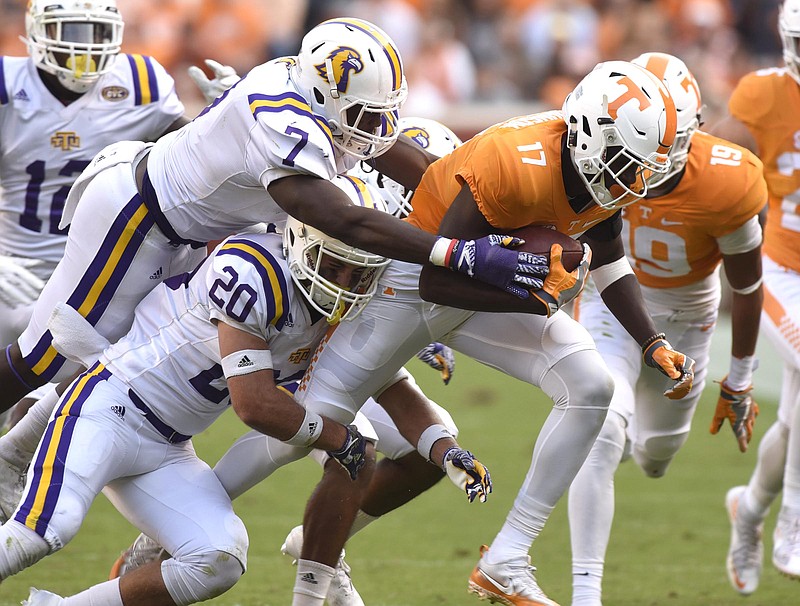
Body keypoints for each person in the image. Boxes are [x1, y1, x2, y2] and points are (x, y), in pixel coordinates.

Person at [189, 60, 695, 606]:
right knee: (305, 425)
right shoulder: (515, 164)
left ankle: (508, 557)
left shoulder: (597, 174)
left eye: (641, 168)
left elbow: (611, 260)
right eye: (625, 162)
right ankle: (180, 522)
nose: (633, 180)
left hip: (483, 284)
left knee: (592, 386)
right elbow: (437, 280)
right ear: (591, 136)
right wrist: (531, 292)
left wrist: (651, 342)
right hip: (411, 288)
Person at [0, 16, 539, 520]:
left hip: (201, 232)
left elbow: (424, 173)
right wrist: (459, 255)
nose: (376, 128)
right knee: (45, 354)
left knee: (114, 360)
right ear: (326, 95)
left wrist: (503, 223)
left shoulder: (322, 98)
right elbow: (339, 219)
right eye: (365, 115)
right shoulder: (281, 116)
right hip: (142, 219)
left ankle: (19, 448)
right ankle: (12, 454)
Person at [0, 176, 491, 606]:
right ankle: (18, 447)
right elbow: (254, 403)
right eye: (333, 263)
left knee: (218, 558)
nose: (342, 283)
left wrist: (447, 451)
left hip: (169, 447)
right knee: (44, 531)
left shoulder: (347, 301)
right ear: (301, 238)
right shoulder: (255, 269)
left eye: (357, 272)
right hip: (110, 406)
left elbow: (390, 386)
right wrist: (339, 439)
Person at [108, 116, 468, 606]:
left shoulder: (380, 241)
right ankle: (177, 537)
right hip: (267, 343)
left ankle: (320, 549)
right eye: (424, 206)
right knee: (318, 429)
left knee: (417, 438)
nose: (426, 225)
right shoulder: (321, 221)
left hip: (324, 351)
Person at [565, 52, 765, 606]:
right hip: (610, 300)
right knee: (601, 427)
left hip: (688, 316)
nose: (649, 159)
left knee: (655, 456)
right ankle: (587, 593)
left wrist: (741, 376)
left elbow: (747, 285)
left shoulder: (726, 181)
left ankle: (626, 440)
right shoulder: (592, 149)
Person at [0, 0, 194, 432]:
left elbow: (191, 157)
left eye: (96, 33)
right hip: (13, 267)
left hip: (98, 270)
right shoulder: (6, 85)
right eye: (69, 30)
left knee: (40, 403)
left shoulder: (139, 83)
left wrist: (227, 116)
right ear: (36, 29)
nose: (83, 47)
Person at [712, 0, 800, 591]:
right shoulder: (764, 95)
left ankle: (750, 511)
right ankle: (794, 528)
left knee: (794, 423)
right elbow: (715, 172)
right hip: (784, 270)